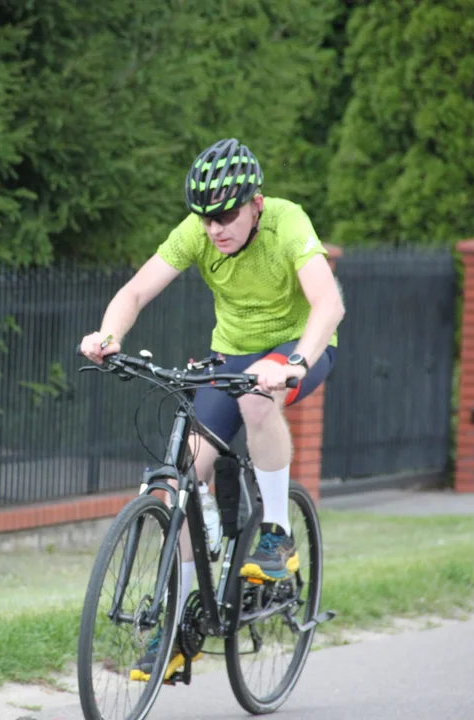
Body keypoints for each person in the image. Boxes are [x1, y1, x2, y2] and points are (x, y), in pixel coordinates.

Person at [78, 137, 345, 680]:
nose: (214, 228)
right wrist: (108, 335)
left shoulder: (287, 223)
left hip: (297, 349)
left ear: (256, 204)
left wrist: (292, 361)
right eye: (205, 218)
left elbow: (329, 303)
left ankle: (274, 532)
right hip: (229, 356)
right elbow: (133, 293)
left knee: (257, 399)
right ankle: (176, 627)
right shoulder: (197, 234)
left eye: (226, 215)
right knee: (179, 477)